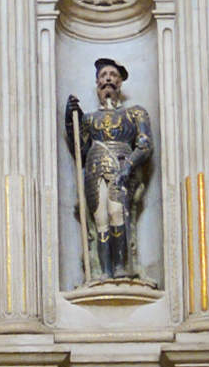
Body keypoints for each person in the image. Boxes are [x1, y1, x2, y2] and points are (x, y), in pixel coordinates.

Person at [65, 58, 154, 282]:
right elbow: (80, 150)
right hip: (95, 168)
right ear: (97, 82)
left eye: (112, 75)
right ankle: (104, 271)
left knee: (116, 212)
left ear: (120, 82)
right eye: (103, 75)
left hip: (121, 165)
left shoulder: (134, 114)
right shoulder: (89, 119)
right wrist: (71, 120)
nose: (107, 79)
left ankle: (119, 266)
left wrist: (129, 167)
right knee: (100, 218)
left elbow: (145, 145)